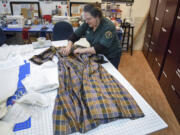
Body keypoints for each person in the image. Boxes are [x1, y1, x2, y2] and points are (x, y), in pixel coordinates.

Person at [61, 3, 122, 69]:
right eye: (85, 19)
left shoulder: (108, 26)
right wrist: (68, 46)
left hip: (111, 55)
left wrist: (81, 50)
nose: (86, 22)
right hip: (97, 52)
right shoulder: (87, 23)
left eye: (89, 19)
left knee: (111, 73)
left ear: (97, 16)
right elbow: (75, 35)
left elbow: (101, 48)